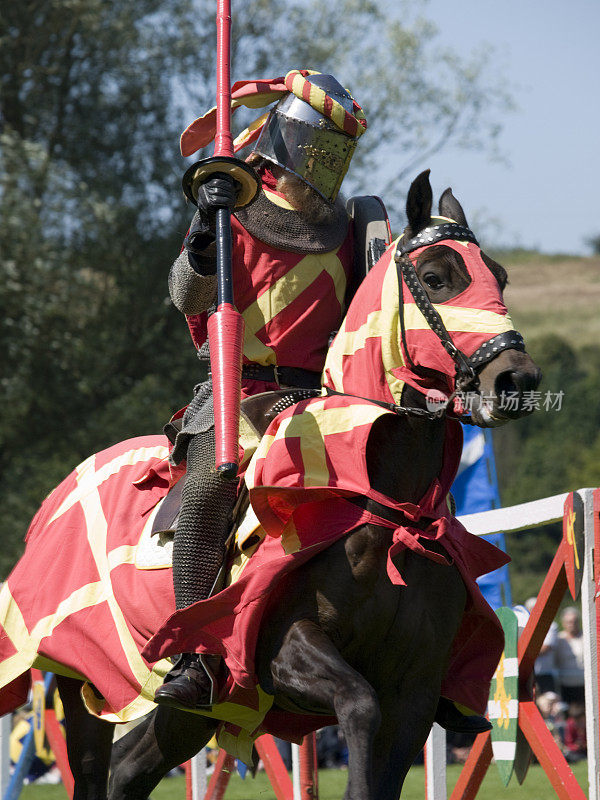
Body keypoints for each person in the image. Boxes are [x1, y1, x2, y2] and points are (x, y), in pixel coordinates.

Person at [154, 71, 373, 710]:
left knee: (403, 491)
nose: (328, 160)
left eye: (342, 148)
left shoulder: (358, 221)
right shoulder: (231, 203)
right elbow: (186, 298)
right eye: (321, 143)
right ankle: (196, 656)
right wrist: (204, 227)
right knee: (208, 491)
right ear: (291, 136)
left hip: (328, 402)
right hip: (240, 395)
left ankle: (428, 650)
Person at [525, 596, 559, 693]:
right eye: (532, 609)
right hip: (527, 674)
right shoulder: (523, 625)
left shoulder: (551, 625)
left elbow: (545, 648)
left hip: (545, 674)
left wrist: (524, 653)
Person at [555, 606, 585, 704]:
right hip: (565, 685)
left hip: (584, 684)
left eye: (574, 621)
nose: (572, 624)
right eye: (569, 622)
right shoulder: (558, 639)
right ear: (563, 623)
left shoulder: (586, 637)